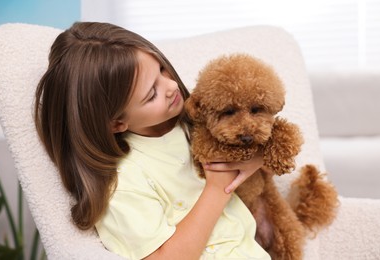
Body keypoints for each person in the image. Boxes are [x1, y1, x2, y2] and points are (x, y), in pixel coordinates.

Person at [34, 22, 271, 259]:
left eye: (161, 69)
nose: (171, 86)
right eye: (151, 94)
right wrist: (218, 189)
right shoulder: (123, 183)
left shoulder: (189, 122)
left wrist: (256, 158)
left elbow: (262, 130)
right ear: (116, 123)